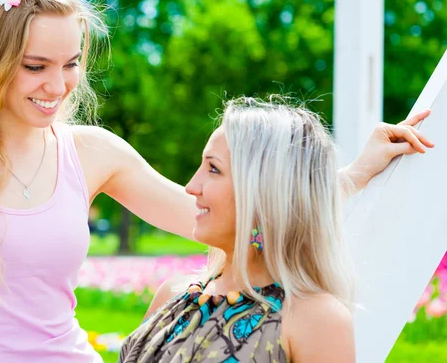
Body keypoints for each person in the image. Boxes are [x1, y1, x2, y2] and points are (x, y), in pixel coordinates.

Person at [0, 0, 432, 363]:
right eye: (35, 66)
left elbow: (219, 208)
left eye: (70, 65)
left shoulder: (91, 152)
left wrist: (354, 173)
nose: (57, 86)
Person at [118, 97, 432, 363]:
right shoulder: (173, 294)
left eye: (213, 168)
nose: (191, 187)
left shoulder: (314, 319)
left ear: (264, 192)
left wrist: (357, 173)